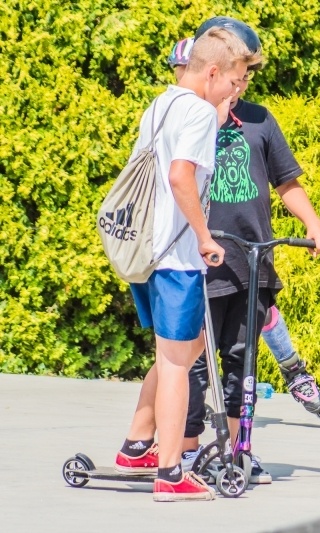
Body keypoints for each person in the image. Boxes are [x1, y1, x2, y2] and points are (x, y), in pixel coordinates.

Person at [178, 19, 320, 484]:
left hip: (252, 260)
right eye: (237, 71)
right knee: (191, 364)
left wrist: (315, 226)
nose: (242, 81)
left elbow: (287, 182)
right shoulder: (190, 116)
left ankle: (231, 450)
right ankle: (187, 452)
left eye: (247, 73)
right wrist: (213, 111)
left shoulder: (260, 118)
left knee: (239, 360)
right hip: (202, 255)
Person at [113, 27, 260, 502]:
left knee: (184, 348)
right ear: (213, 72)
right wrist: (204, 237)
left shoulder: (162, 104)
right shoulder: (197, 111)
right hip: (177, 257)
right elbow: (181, 177)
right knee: (179, 364)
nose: (237, 90)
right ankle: (171, 473)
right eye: (235, 80)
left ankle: (138, 444)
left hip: (145, 252)